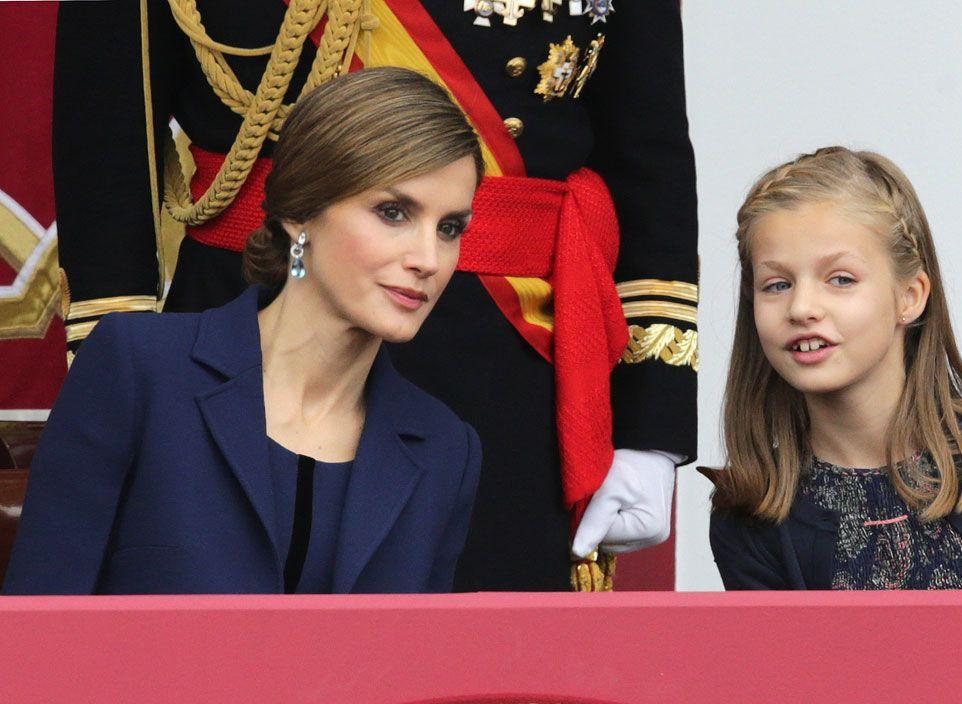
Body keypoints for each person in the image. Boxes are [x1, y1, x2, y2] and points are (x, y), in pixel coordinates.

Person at [52, 1, 698, 591]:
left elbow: (646, 149)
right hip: (246, 334)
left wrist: (650, 425)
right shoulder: (147, 374)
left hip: (505, 369)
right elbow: (106, 136)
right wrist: (120, 387)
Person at [4, 68, 483, 595]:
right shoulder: (137, 369)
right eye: (392, 213)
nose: (428, 259)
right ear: (300, 215)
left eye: (450, 228)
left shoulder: (445, 448)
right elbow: (38, 630)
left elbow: (423, 670)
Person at [708, 147, 962, 590]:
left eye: (840, 279)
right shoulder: (752, 508)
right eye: (777, 285)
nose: (802, 307)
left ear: (910, 296)